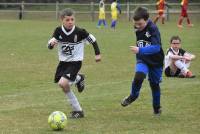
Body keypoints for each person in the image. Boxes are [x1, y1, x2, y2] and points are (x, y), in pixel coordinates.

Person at [47, 8, 101, 118]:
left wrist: (97, 54)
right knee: (63, 86)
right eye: (67, 20)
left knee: (63, 83)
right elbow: (50, 45)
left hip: (75, 62)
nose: (70, 22)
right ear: (62, 20)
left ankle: (78, 80)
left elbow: (93, 40)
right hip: (63, 63)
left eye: (72, 19)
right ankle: (78, 110)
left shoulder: (80, 32)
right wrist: (51, 44)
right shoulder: (58, 31)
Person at [121, 7, 164, 115]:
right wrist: (140, 51)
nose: (138, 26)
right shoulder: (136, 26)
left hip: (156, 61)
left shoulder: (153, 29)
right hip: (143, 59)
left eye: (140, 24)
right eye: (136, 24)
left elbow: (156, 48)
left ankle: (156, 107)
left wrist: (140, 49)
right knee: (139, 76)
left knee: (154, 85)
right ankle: (133, 96)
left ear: (147, 19)